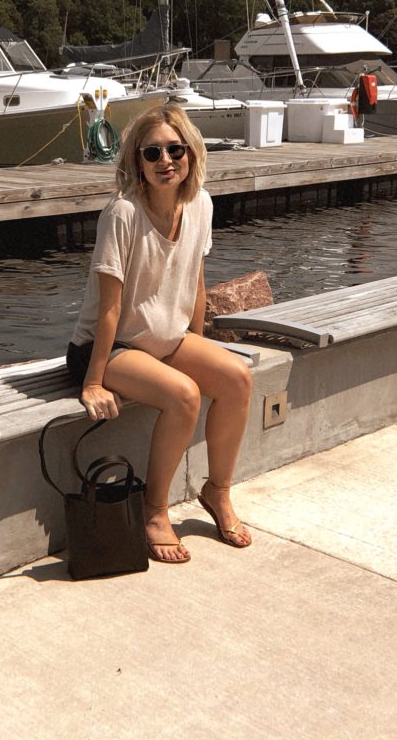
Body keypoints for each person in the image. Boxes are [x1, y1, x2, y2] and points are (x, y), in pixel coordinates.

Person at [66, 105, 253, 564]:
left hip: (164, 340)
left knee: (237, 378)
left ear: (191, 153)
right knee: (185, 395)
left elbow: (195, 281)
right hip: (108, 348)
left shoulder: (201, 204)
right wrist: (92, 382)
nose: (165, 160)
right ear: (137, 162)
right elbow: (109, 307)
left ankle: (218, 491)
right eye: (153, 153)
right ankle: (155, 511)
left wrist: (197, 341)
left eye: (175, 149)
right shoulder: (123, 214)